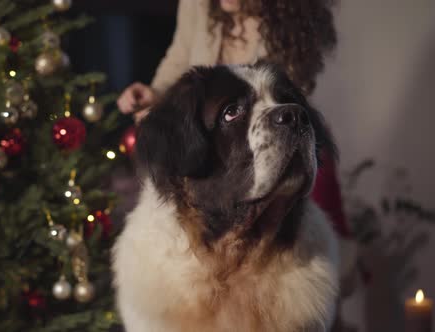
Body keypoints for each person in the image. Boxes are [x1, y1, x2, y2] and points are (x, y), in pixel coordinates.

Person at [117, 0, 357, 329]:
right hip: (211, 156)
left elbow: (286, 93)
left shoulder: (291, 18)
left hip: (271, 177)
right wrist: (154, 92)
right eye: (233, 110)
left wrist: (267, 122)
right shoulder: (198, 5)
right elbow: (178, 60)